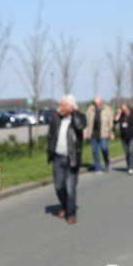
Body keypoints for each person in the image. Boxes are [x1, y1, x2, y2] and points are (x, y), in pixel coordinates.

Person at [47, 95, 87, 224]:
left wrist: (73, 112)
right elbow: (51, 136)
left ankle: (71, 213)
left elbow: (80, 127)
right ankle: (64, 205)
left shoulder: (79, 118)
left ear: (70, 107)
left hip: (72, 158)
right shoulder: (57, 119)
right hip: (58, 158)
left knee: (70, 187)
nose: (60, 109)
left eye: (63, 106)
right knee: (59, 187)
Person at [84, 95, 115, 173]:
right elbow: (86, 122)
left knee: (104, 148)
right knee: (95, 151)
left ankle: (107, 162)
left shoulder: (107, 109)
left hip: (104, 133)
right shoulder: (90, 109)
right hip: (93, 133)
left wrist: (111, 133)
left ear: (101, 101)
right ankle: (98, 168)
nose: (97, 104)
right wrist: (85, 132)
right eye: (95, 102)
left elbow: (111, 123)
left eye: (98, 102)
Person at [115, 103, 133, 175]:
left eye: (125, 109)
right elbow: (115, 122)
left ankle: (132, 167)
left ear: (128, 108)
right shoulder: (122, 115)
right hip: (124, 137)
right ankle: (129, 166)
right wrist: (118, 114)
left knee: (130, 151)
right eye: (123, 109)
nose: (124, 110)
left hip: (132, 136)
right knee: (127, 152)